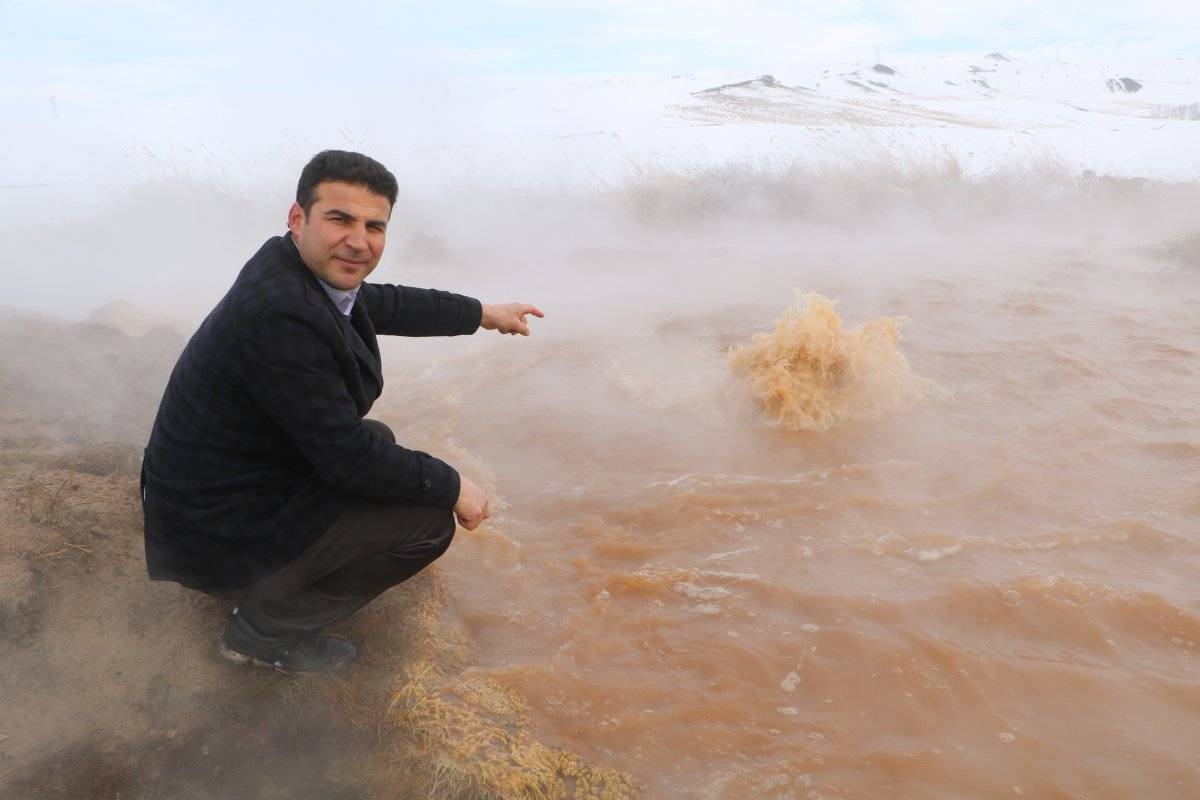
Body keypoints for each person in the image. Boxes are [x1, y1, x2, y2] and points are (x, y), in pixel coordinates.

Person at [141, 150, 542, 672]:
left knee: (378, 438)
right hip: (212, 527)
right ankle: (259, 634)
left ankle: (281, 586)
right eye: (340, 219)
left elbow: (383, 302)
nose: (359, 240)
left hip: (212, 488)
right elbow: (346, 460)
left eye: (374, 226)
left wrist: (483, 313)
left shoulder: (293, 268)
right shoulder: (281, 315)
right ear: (298, 218)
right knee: (424, 522)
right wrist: (453, 484)